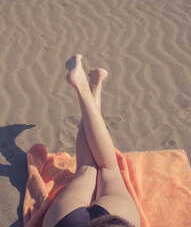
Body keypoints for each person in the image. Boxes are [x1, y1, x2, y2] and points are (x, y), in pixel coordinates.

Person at [42, 55, 140, 227]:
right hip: (66, 222)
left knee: (106, 168)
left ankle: (88, 86)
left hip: (105, 217)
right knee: (86, 168)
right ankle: (94, 85)